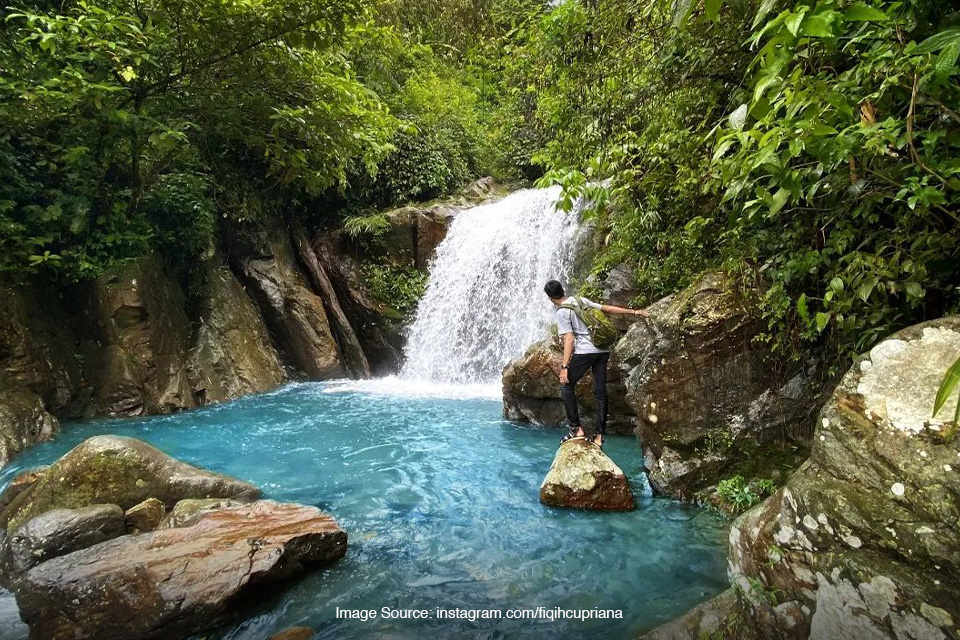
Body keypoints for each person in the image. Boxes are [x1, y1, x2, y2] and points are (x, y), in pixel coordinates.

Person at [544, 280, 649, 448]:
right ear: (563, 291)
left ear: (550, 298)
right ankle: (599, 436)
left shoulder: (562, 312)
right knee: (600, 391)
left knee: (566, 386)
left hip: (586, 352)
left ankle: (576, 429)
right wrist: (634, 312)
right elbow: (606, 309)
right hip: (602, 350)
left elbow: (569, 339)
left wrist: (564, 367)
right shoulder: (580, 300)